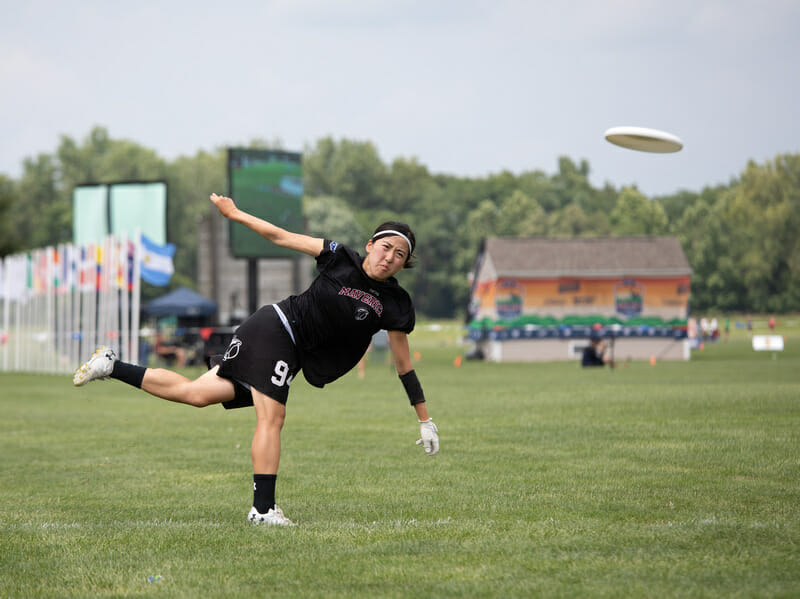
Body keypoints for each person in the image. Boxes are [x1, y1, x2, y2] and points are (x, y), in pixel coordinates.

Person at [73, 193, 439, 527]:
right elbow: (281, 236)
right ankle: (262, 510)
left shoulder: (395, 304)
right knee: (273, 416)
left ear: (404, 264)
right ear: (370, 245)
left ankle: (111, 365)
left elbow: (403, 365)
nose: (389, 258)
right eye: (385, 247)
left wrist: (425, 420)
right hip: (276, 328)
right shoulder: (339, 257)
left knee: (196, 394)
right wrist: (235, 214)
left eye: (399, 255)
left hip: (289, 351)